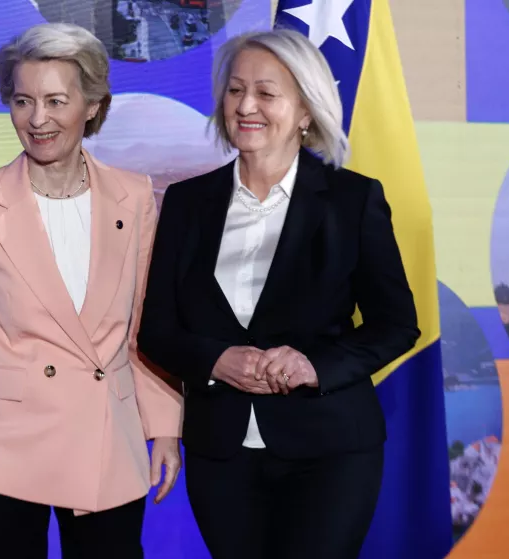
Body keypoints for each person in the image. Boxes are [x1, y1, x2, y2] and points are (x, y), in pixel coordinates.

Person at [136, 28, 421, 559]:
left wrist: (316, 364)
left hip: (331, 450)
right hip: (220, 453)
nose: (246, 106)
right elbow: (157, 329)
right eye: (235, 90)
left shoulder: (352, 200)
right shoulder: (185, 202)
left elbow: (397, 324)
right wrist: (218, 360)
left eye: (266, 93)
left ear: (306, 110)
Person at [0, 22, 183, 559]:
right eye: (22, 101)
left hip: (107, 435)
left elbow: (142, 327)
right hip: (6, 444)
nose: (37, 119)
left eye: (56, 100)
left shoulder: (134, 196)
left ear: (92, 105)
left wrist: (166, 425)